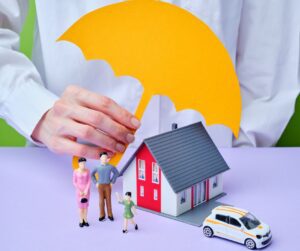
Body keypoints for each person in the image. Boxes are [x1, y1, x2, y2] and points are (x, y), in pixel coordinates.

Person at [0, 0, 299, 157]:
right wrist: (36, 110)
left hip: (213, 165)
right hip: (66, 166)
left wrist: (237, 153)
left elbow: (270, 52)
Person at [91, 152, 119, 221]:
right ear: (100, 158)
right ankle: (102, 214)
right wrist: (96, 183)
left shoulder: (110, 166)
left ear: (107, 159)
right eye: (103, 157)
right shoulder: (97, 167)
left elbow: (116, 173)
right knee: (101, 201)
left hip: (108, 185)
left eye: (105, 157)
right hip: (100, 186)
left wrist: (112, 182)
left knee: (108, 200)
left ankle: (110, 214)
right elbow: (92, 175)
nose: (104, 159)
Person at [72, 157, 91, 227]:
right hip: (79, 191)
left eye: (84, 163)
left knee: (85, 206)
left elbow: (89, 181)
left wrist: (86, 189)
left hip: (86, 191)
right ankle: (81, 219)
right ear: (79, 164)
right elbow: (74, 182)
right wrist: (79, 190)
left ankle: (85, 219)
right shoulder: (75, 171)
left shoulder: (88, 171)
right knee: (80, 207)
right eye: (81, 163)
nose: (83, 165)